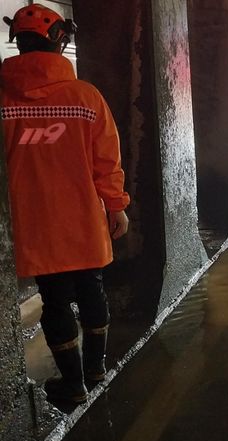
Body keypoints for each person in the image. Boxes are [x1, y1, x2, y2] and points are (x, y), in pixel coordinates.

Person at [1, 4, 130, 404]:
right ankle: (96, 368)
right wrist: (116, 205)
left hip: (30, 221)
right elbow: (106, 160)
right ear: (60, 41)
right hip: (84, 218)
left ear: (18, 44)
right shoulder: (84, 97)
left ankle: (73, 385)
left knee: (54, 298)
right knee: (92, 289)